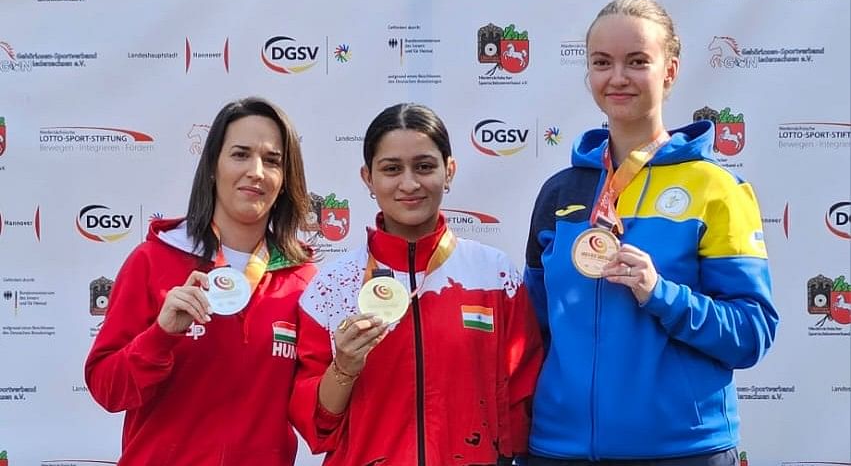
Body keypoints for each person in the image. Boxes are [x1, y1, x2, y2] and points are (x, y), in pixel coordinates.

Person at [524, 0, 779, 466]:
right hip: (559, 449)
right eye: (602, 62)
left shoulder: (716, 189)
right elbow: (532, 330)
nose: (617, 77)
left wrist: (662, 293)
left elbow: (752, 332)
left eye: (637, 61)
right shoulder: (560, 192)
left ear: (671, 71)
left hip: (681, 451)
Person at [290, 103, 544, 465]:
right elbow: (315, 424)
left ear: (449, 170)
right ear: (368, 178)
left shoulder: (494, 275)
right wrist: (344, 366)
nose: (409, 184)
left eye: (424, 167)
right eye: (392, 169)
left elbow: (522, 401)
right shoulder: (332, 286)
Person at [85, 97, 316, 466]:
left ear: (285, 179)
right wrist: (161, 335)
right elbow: (107, 390)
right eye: (240, 154)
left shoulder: (303, 280)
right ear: (212, 166)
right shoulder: (152, 260)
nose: (256, 171)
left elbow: (317, 413)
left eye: (272, 160)